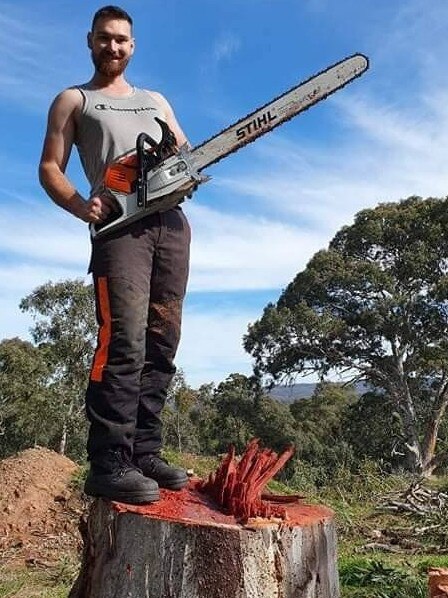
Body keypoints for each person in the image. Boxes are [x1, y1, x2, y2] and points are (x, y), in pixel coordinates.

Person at [39, 5, 194, 504]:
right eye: (105, 39)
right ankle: (109, 460)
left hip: (170, 226)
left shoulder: (156, 100)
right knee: (123, 340)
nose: (114, 47)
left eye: (122, 40)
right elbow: (49, 167)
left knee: (162, 340)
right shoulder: (74, 100)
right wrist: (84, 206)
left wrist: (181, 173)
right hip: (118, 231)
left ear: (133, 45)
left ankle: (145, 452)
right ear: (90, 41)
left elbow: (187, 155)